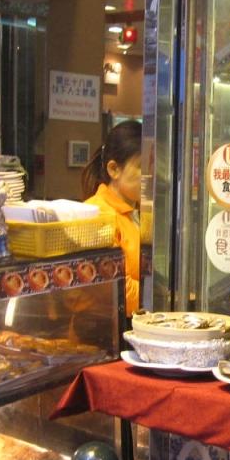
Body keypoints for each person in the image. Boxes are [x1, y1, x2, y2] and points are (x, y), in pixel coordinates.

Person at [84, 120, 143, 315]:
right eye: (142, 166)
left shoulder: (140, 212)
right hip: (103, 328)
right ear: (114, 169)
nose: (152, 175)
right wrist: (159, 295)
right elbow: (114, 288)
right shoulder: (97, 215)